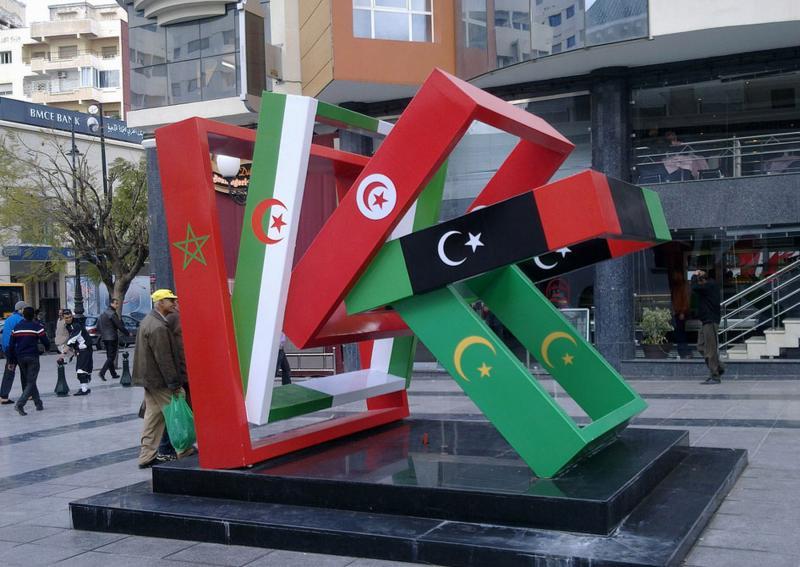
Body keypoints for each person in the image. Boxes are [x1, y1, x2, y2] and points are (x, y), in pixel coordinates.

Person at [133, 289, 193, 469]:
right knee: (178, 413)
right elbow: (164, 359)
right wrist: (175, 384)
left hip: (150, 380)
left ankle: (146, 455)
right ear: (159, 303)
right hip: (160, 381)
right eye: (170, 300)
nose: (174, 303)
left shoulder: (149, 321)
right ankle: (184, 450)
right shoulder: (158, 327)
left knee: (153, 417)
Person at [7, 306, 50, 415]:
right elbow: (45, 340)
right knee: (31, 381)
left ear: (23, 315)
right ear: (33, 316)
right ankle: (20, 404)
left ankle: (38, 403)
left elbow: (11, 345)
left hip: (20, 357)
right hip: (32, 356)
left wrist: (11, 361)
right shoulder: (36, 326)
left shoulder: (16, 327)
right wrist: (47, 348)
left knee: (30, 380)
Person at [692, 269, 725, 384]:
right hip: (705, 321)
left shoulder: (710, 285)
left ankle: (715, 376)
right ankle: (719, 366)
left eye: (700, 280)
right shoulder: (707, 287)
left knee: (710, 350)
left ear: (704, 279)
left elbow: (694, 287)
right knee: (700, 347)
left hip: (710, 321)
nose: (699, 283)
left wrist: (694, 276)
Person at [0, 300, 29, 404]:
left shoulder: (8, 320)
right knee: (25, 371)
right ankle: (27, 393)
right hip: (18, 351)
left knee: (9, 373)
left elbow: (4, 336)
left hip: (8, 351)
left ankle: (3, 396)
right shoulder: (21, 320)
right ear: (21, 309)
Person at [61, 311, 94, 395]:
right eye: (66, 318)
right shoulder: (70, 325)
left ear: (72, 316)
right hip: (82, 349)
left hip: (85, 349)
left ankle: (84, 390)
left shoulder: (76, 326)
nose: (68, 319)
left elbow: (73, 339)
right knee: (83, 370)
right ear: (63, 318)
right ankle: (85, 387)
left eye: (70, 317)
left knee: (80, 370)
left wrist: (64, 352)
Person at [97, 298, 130, 381]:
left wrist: (102, 334)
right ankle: (102, 372)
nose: (117, 305)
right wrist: (127, 333)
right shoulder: (112, 314)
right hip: (112, 337)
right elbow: (119, 325)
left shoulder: (103, 314)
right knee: (111, 357)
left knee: (109, 356)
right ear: (112, 304)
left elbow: (98, 326)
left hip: (105, 338)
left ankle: (113, 373)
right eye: (116, 304)